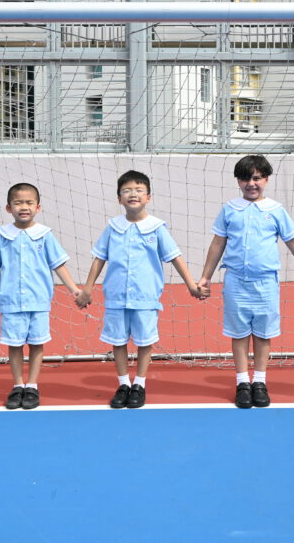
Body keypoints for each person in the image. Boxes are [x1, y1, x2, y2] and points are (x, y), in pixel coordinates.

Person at [198, 155, 294, 409]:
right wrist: (206, 277)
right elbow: (218, 243)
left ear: (266, 179)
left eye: (257, 178)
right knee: (239, 333)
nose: (251, 184)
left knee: (263, 333)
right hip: (236, 281)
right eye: (245, 179)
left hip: (266, 283)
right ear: (238, 181)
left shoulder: (275, 210)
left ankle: (259, 381)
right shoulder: (229, 209)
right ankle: (242, 382)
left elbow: (293, 241)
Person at [77, 170, 203, 409]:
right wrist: (87, 289)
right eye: (126, 190)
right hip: (116, 296)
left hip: (146, 296)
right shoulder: (113, 227)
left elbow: (175, 257)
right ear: (119, 198)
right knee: (118, 340)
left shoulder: (156, 227)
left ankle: (139, 384)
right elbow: (99, 258)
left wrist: (191, 285)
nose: (132, 194)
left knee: (145, 340)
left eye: (138, 190)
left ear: (148, 197)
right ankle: (123, 383)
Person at [0, 183, 82, 410]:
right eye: (18, 203)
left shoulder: (45, 235)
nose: (24, 207)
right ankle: (18, 385)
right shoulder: (2, 236)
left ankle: (32, 386)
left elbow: (58, 265)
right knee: (14, 344)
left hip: (38, 300)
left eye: (29, 203)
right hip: (11, 301)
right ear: (8, 207)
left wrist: (74, 290)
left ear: (38, 207)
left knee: (36, 343)